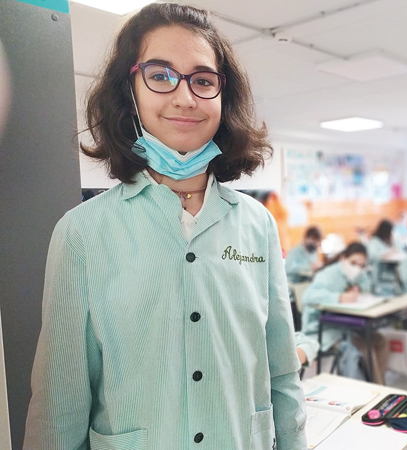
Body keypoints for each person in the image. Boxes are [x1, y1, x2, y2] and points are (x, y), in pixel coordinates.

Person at [23, 4, 306, 449]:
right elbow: (60, 402)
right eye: (160, 75)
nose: (185, 98)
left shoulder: (258, 224)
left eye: (203, 80)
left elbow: (282, 373)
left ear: (223, 96)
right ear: (129, 91)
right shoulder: (82, 233)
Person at [302, 243, 389, 383]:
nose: (357, 268)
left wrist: (359, 288)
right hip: (323, 329)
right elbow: (308, 296)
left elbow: (367, 285)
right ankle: (377, 388)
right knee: (366, 347)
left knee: (381, 341)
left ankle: (379, 383)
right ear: (343, 258)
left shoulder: (356, 274)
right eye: (353, 263)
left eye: (361, 265)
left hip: (346, 326)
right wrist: (340, 297)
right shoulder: (328, 275)